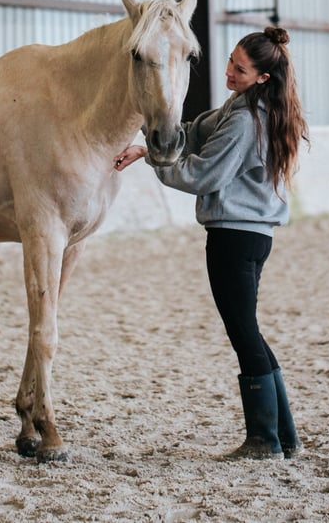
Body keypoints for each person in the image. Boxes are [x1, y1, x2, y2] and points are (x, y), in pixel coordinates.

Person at [114, 26, 309, 460]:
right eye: (230, 62)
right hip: (252, 236)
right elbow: (194, 131)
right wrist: (152, 140)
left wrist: (156, 161)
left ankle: (264, 440)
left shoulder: (244, 120)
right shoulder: (249, 106)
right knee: (249, 330)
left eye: (239, 69)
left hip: (234, 238)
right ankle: (284, 436)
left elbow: (202, 174)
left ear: (262, 77)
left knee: (243, 333)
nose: (228, 72)